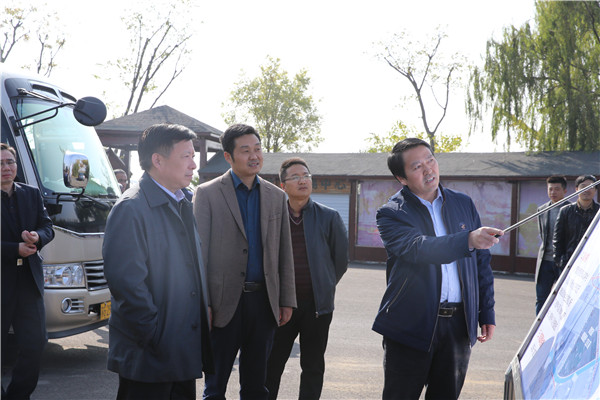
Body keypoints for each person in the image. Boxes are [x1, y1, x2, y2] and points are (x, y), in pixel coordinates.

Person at [371, 138, 503, 400]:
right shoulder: (391, 213)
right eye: (417, 166)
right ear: (402, 178)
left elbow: (481, 263)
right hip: (411, 323)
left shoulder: (463, 204)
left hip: (458, 326)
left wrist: (486, 311)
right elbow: (418, 249)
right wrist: (467, 240)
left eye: (430, 160)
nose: (428, 169)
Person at [102, 124, 212, 400]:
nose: (194, 164)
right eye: (186, 156)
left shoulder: (183, 201)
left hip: (180, 349)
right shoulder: (131, 208)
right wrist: (155, 335)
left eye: (193, 156)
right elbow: (127, 284)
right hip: (149, 355)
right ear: (158, 160)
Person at [193, 123, 296, 400]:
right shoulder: (207, 193)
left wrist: (286, 299)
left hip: (263, 303)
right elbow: (199, 254)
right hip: (223, 304)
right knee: (214, 388)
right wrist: (204, 304)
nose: (254, 156)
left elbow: (284, 252)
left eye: (258, 149)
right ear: (228, 156)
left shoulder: (277, 196)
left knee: (256, 387)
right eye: (246, 150)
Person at [266, 158, 349, 400]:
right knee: (271, 364)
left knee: (313, 366)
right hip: (281, 305)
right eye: (295, 177)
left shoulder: (329, 217)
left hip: (317, 307)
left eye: (306, 175)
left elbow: (340, 261)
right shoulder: (273, 217)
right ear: (283, 185)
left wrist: (323, 285)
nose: (303, 180)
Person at [1, 142, 55, 400]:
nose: (6, 167)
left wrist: (37, 236)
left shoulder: (31, 193)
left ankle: (18, 396)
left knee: (35, 344)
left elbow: (47, 226)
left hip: (28, 282)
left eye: (9, 162)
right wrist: (15, 249)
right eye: (0, 163)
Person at [534, 175, 567, 315]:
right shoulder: (541, 210)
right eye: (550, 189)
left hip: (563, 261)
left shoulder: (571, 209)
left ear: (565, 191)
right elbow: (542, 234)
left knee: (563, 299)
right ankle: (539, 325)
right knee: (541, 299)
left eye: (557, 189)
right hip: (545, 261)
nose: (553, 192)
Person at [553, 175, 599, 273]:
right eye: (583, 186)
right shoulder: (565, 211)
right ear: (576, 189)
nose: (587, 190)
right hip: (569, 262)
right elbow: (557, 239)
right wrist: (559, 261)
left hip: (593, 265)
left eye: (591, 186)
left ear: (595, 190)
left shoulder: (598, 211)